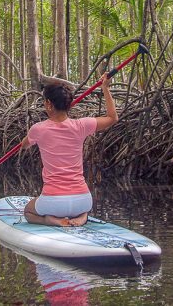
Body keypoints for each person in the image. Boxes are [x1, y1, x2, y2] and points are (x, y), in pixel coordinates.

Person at [20, 72, 118, 227]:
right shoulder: (82, 125)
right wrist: (105, 88)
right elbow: (113, 118)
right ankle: (82, 217)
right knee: (82, 210)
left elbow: (24, 146)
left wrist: (26, 142)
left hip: (53, 202)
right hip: (83, 200)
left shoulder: (37, 129)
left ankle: (50, 220)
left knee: (28, 212)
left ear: (48, 104)